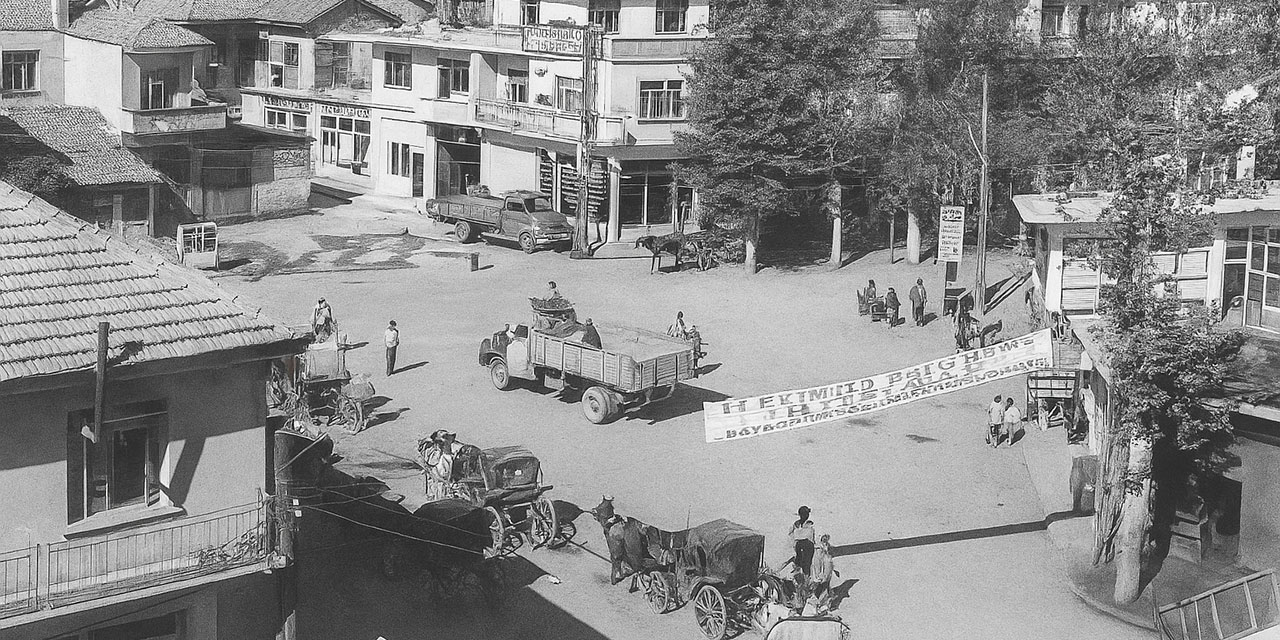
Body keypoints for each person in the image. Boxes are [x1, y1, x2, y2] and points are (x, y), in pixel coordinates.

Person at [810, 534, 835, 615]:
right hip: (819, 575)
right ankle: (816, 606)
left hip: (825, 574)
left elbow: (828, 563)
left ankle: (824, 605)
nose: (825, 539)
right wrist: (818, 575)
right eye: (823, 538)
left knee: (825, 588)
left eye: (826, 538)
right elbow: (816, 564)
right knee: (818, 589)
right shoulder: (818, 549)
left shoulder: (826, 548)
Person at [789, 507, 816, 579]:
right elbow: (791, 535)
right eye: (803, 514)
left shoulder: (810, 524)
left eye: (806, 514)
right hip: (798, 545)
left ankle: (807, 579)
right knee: (797, 564)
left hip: (808, 546)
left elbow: (812, 536)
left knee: (806, 564)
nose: (805, 516)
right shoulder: (796, 524)